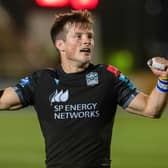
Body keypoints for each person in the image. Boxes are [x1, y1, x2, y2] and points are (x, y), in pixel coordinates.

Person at [0, 9, 168, 168]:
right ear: (61, 44)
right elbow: (3, 101)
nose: (86, 40)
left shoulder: (108, 77)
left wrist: (164, 79)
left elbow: (151, 109)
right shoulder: (41, 81)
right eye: (78, 36)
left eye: (89, 36)